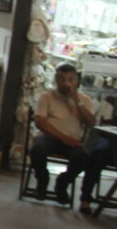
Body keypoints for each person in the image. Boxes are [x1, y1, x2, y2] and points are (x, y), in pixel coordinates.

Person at [31, 63, 110, 212]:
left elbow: (90, 123)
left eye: (70, 79)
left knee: (84, 158)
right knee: (37, 150)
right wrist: (62, 137)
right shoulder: (47, 96)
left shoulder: (85, 100)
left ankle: (63, 183)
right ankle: (42, 182)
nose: (66, 83)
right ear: (56, 79)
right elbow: (40, 122)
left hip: (73, 140)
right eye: (62, 78)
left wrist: (76, 100)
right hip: (51, 136)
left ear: (76, 81)